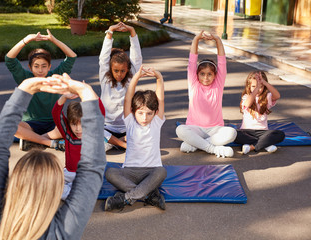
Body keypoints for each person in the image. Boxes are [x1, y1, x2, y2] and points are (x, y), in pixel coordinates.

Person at [0, 74, 106, 240]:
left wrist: (25, 87)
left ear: (14, 186)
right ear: (54, 193)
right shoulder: (62, 233)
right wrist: (86, 91)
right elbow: (92, 167)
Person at [104, 66, 167, 211]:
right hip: (129, 172)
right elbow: (128, 98)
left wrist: (159, 77)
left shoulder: (156, 122)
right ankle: (148, 196)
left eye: (149, 113)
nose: (145, 118)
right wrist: (136, 78)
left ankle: (125, 199)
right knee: (110, 172)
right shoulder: (130, 121)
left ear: (155, 112)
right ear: (133, 111)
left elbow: (161, 98)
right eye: (140, 113)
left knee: (162, 172)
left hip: (151, 172)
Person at [5, 29, 77, 151]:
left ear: (49, 67)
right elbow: (9, 59)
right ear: (30, 67)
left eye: (44, 66)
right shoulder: (25, 77)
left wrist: (54, 40)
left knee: (74, 125)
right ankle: (49, 143)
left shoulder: (55, 75)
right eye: (36, 66)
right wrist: (27, 39)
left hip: (53, 125)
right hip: (30, 124)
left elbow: (72, 56)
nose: (40, 70)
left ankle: (34, 141)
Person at [175, 30, 237, 158]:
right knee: (180, 129)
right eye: (202, 74)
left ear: (215, 76)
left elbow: (222, 62)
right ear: (197, 75)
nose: (206, 77)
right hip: (195, 128)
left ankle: (196, 145)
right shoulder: (193, 84)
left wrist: (218, 40)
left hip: (215, 129)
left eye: (210, 74)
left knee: (232, 133)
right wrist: (196, 39)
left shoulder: (218, 85)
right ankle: (212, 149)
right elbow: (192, 62)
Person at [52, 91, 105, 200]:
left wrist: (88, 91)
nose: (78, 129)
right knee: (48, 183)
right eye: (74, 124)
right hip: (69, 173)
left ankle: (74, 192)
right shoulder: (67, 133)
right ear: (69, 123)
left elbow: (101, 111)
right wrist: (64, 96)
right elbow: (55, 113)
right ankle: (73, 192)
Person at [99, 22, 143, 151]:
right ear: (111, 69)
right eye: (116, 71)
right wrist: (110, 31)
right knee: (93, 131)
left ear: (128, 70)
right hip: (106, 127)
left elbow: (137, 58)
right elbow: (103, 58)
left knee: (143, 134)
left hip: (126, 128)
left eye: (123, 71)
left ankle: (116, 142)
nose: (119, 74)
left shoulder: (131, 79)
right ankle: (122, 144)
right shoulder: (105, 79)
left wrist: (132, 32)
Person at [234, 71, 285, 154]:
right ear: (248, 86)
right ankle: (265, 144)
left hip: (263, 132)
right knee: (234, 134)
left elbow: (277, 96)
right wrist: (257, 88)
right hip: (247, 132)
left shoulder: (267, 97)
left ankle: (252, 146)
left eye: (261, 87)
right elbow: (248, 104)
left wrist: (265, 83)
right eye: (253, 86)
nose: (257, 89)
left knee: (280, 134)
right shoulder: (246, 97)